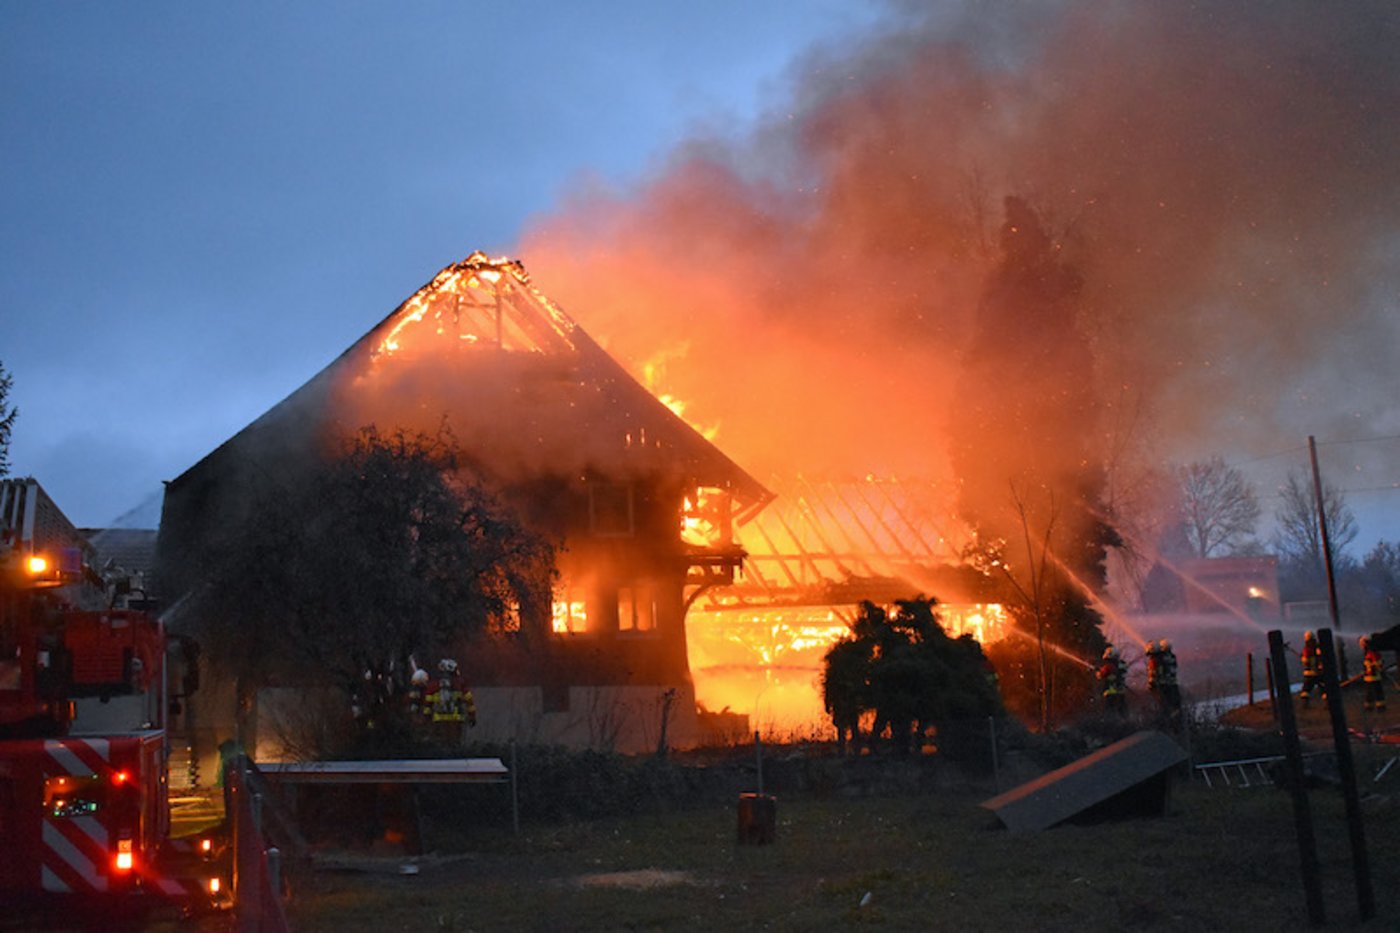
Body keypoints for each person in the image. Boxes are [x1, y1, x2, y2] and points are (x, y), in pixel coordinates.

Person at [1155, 639, 1182, 726]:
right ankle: (1176, 720)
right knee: (1175, 704)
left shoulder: (1161, 658)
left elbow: (1159, 672)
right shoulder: (1172, 657)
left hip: (1165, 686)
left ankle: (1168, 721)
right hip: (1173, 684)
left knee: (1165, 705)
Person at [1097, 645, 1128, 716]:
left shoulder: (1108, 667)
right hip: (1121, 691)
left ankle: (1111, 723)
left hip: (1110, 692)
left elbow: (1101, 675)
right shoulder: (1121, 665)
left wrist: (1099, 672)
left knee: (1109, 710)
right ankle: (1125, 721)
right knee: (1122, 709)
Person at [1362, 636, 1386, 712]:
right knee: (1375, 692)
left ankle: (1373, 707)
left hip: (1373, 677)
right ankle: (1376, 707)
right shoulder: (1372, 653)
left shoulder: (1371, 653)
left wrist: (1374, 666)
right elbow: (1378, 663)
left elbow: (1377, 663)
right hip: (1373, 677)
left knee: (1373, 693)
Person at [1299, 631, 1324, 706]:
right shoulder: (1318, 647)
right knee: (1323, 688)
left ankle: (1305, 704)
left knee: (1306, 690)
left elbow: (1306, 660)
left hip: (1309, 673)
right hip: (1319, 672)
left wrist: (1302, 658)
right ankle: (1327, 704)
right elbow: (1320, 657)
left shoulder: (1307, 649)